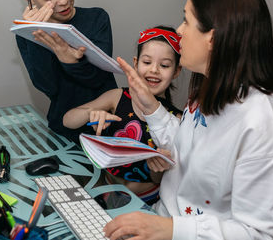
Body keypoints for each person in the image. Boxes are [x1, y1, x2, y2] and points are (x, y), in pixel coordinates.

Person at [103, 0, 273, 240]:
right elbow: (189, 152)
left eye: (186, 21)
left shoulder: (260, 120)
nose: (179, 31)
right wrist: (152, 108)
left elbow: (263, 236)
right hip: (161, 220)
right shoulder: (211, 88)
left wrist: (171, 230)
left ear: (212, 37)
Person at [63, 26, 183, 203]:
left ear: (176, 71)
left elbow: (161, 180)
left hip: (145, 200)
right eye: (147, 62)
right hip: (105, 187)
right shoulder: (118, 96)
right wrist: (91, 113)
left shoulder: (176, 120)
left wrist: (156, 167)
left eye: (164, 65)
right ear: (135, 63)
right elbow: (68, 121)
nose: (154, 70)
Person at [12, 0, 117, 142]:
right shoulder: (25, 33)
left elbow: (99, 79)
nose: (63, 0)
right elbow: (48, 87)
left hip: (106, 126)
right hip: (63, 133)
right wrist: (35, 34)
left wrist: (70, 61)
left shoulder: (97, 19)